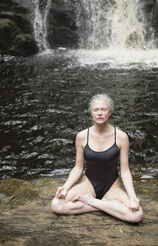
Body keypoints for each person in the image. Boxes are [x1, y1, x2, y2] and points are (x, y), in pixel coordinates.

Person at [51, 94, 143, 223]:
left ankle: (91, 202)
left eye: (103, 109)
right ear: (91, 113)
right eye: (96, 110)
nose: (99, 113)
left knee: (136, 215)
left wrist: (133, 197)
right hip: (88, 185)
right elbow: (78, 167)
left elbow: (125, 170)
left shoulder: (121, 137)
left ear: (109, 112)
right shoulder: (82, 136)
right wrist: (65, 188)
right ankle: (107, 207)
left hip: (112, 187)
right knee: (57, 205)